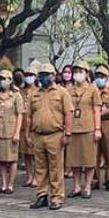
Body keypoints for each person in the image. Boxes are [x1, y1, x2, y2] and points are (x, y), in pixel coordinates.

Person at [27, 61, 73, 210]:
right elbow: (29, 115)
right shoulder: (34, 93)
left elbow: (69, 113)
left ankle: (57, 196)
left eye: (47, 75)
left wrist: (68, 133)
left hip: (55, 134)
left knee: (56, 167)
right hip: (38, 135)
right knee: (40, 167)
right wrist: (28, 134)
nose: (44, 78)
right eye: (41, 75)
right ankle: (42, 195)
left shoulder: (62, 92)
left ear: (53, 76)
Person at [66, 60, 101, 198]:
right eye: (75, 72)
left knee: (88, 159)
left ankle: (87, 186)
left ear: (86, 73)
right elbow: (66, 111)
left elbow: (96, 110)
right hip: (73, 128)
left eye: (81, 71)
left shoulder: (93, 89)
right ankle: (76, 186)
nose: (77, 74)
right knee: (74, 159)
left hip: (88, 127)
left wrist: (97, 129)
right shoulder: (68, 90)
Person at [0, 69, 24, 194]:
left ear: (10, 80)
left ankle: (10, 185)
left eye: (5, 79)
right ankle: (3, 184)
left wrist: (17, 132)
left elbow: (20, 115)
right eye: (1, 79)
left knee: (12, 159)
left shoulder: (16, 95)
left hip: (11, 131)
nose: (2, 81)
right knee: (1, 160)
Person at [18, 67, 38, 187]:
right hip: (23, 126)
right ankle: (29, 176)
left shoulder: (38, 91)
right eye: (27, 74)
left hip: (34, 126)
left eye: (31, 74)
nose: (29, 77)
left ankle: (36, 176)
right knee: (26, 154)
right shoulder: (21, 91)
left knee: (35, 153)